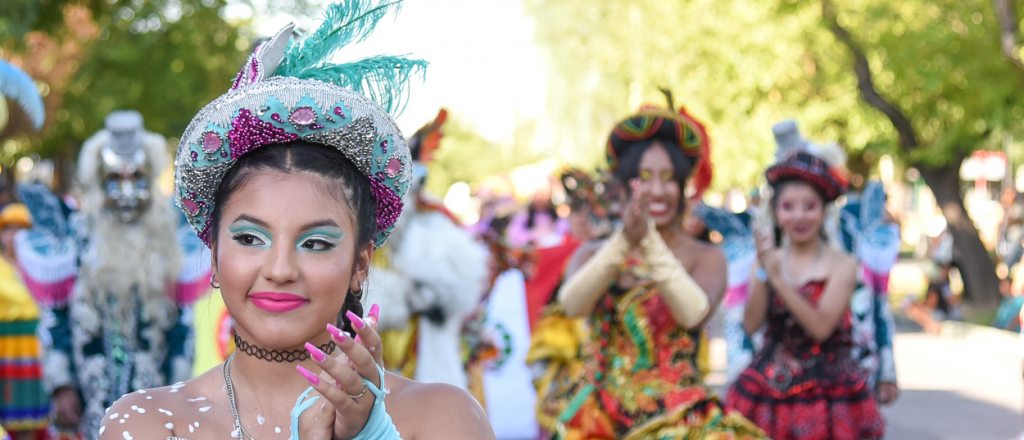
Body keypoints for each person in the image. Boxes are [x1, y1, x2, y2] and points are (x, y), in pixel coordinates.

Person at [98, 2, 494, 438]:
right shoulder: (146, 424)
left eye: (316, 243)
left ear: (360, 265)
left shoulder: (442, 418)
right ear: (213, 253)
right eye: (250, 238)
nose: (280, 269)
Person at [546, 98, 766, 439]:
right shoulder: (590, 254)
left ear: (683, 187)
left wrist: (648, 242)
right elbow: (573, 305)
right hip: (596, 422)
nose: (658, 190)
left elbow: (693, 314)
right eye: (644, 178)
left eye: (669, 179)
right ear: (623, 184)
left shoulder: (706, 257)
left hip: (679, 422)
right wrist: (622, 244)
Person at [15, 111, 202, 439]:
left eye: (138, 179)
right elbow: (55, 315)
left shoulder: (168, 237)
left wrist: (181, 391)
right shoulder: (78, 233)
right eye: (116, 179)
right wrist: (60, 385)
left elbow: (182, 325)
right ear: (101, 182)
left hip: (156, 401)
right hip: (90, 403)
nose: (127, 192)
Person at [726, 141, 885, 439]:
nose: (799, 216)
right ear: (775, 212)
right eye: (788, 207)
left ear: (824, 210)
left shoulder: (843, 265)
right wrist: (764, 271)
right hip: (767, 391)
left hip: (830, 395)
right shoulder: (765, 262)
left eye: (809, 206)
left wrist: (779, 280)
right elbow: (750, 325)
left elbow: (822, 328)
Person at [0, 203, 48, 440]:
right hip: (7, 348)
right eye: (9, 229)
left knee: (33, 415)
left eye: (22, 229)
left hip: (37, 347)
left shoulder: (42, 265)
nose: (14, 236)